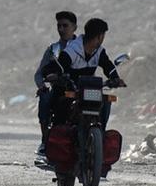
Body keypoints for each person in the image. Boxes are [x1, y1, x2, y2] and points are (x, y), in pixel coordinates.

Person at [35, 16, 125, 159]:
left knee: (106, 100)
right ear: (100, 36)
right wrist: (53, 74)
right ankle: (53, 143)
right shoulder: (73, 49)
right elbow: (57, 66)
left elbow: (108, 67)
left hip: (89, 90)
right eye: (103, 35)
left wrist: (116, 79)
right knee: (61, 105)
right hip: (70, 89)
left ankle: (100, 133)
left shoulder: (99, 51)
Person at [33, 11, 82, 160]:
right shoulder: (53, 50)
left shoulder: (83, 47)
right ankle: (45, 141)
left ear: (74, 27)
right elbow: (39, 74)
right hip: (60, 90)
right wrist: (42, 85)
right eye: (59, 26)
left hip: (80, 89)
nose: (61, 29)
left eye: (65, 25)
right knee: (45, 99)